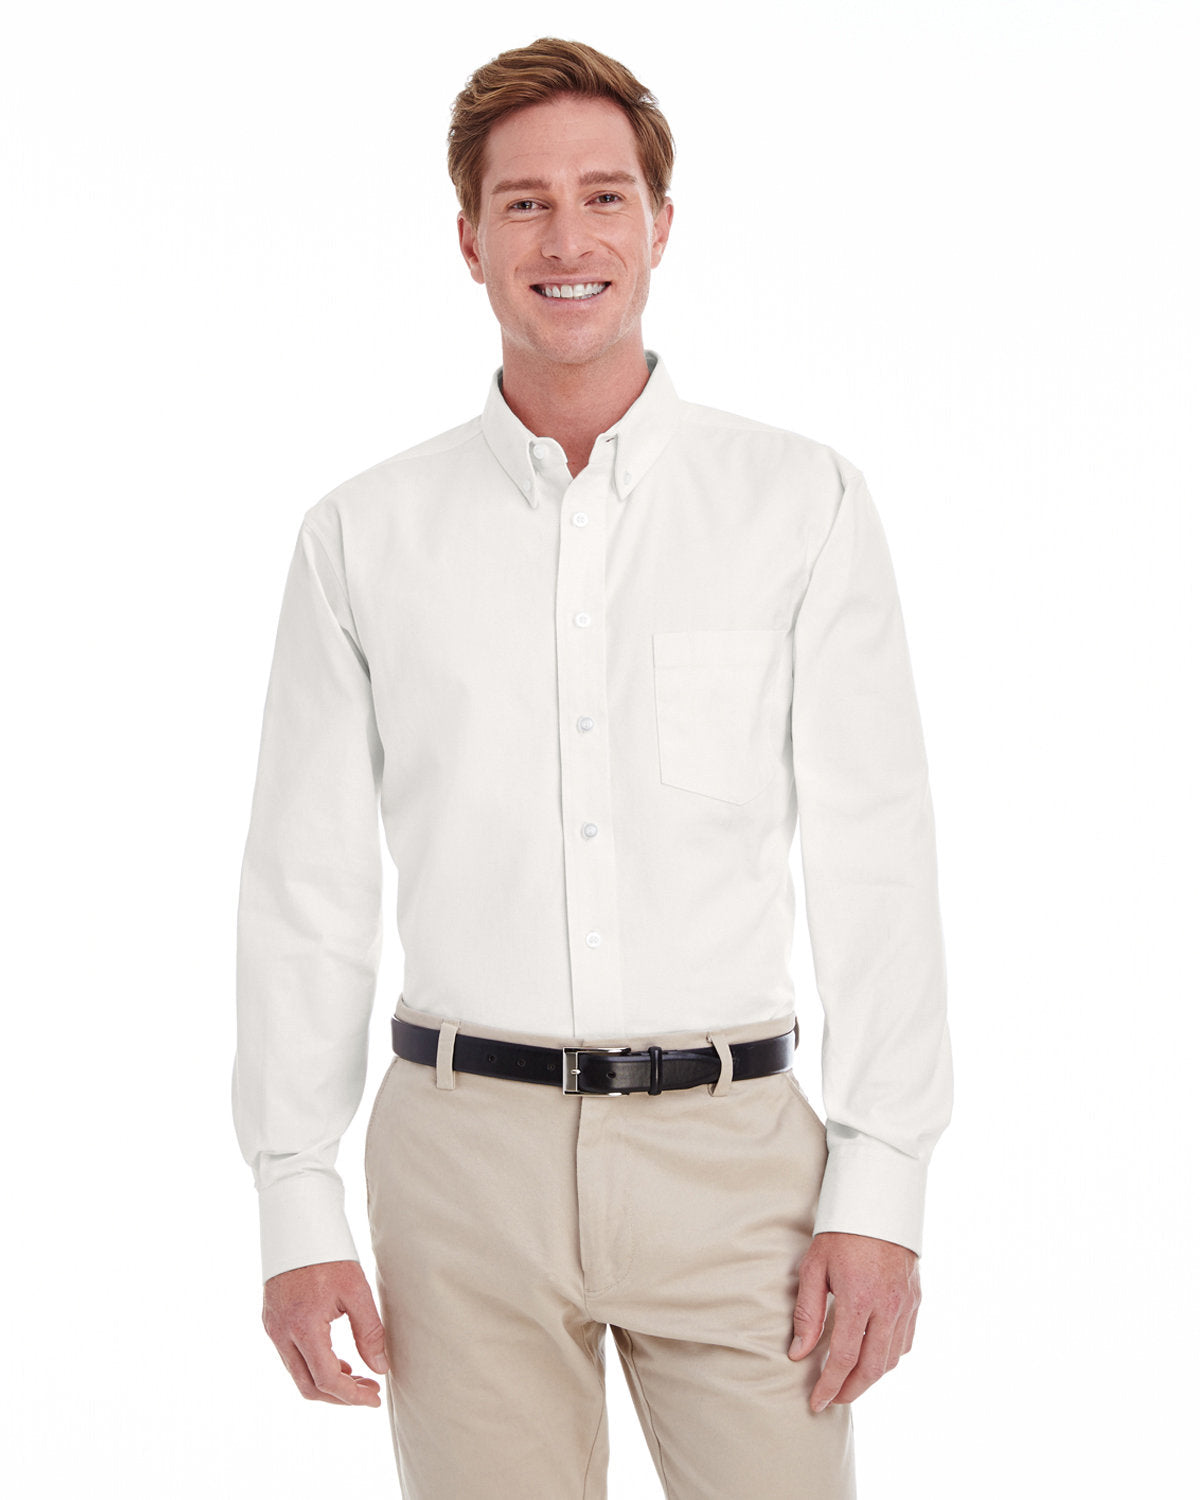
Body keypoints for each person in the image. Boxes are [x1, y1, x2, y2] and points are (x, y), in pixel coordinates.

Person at [231, 35, 952, 1500]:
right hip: (460, 1174)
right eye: (526, 203)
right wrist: (296, 1198)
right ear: (470, 238)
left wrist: (883, 1183)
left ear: (661, 225)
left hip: (737, 1167)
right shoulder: (362, 537)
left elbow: (877, 857)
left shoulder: (800, 505)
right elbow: (306, 888)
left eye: (604, 197)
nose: (568, 240)